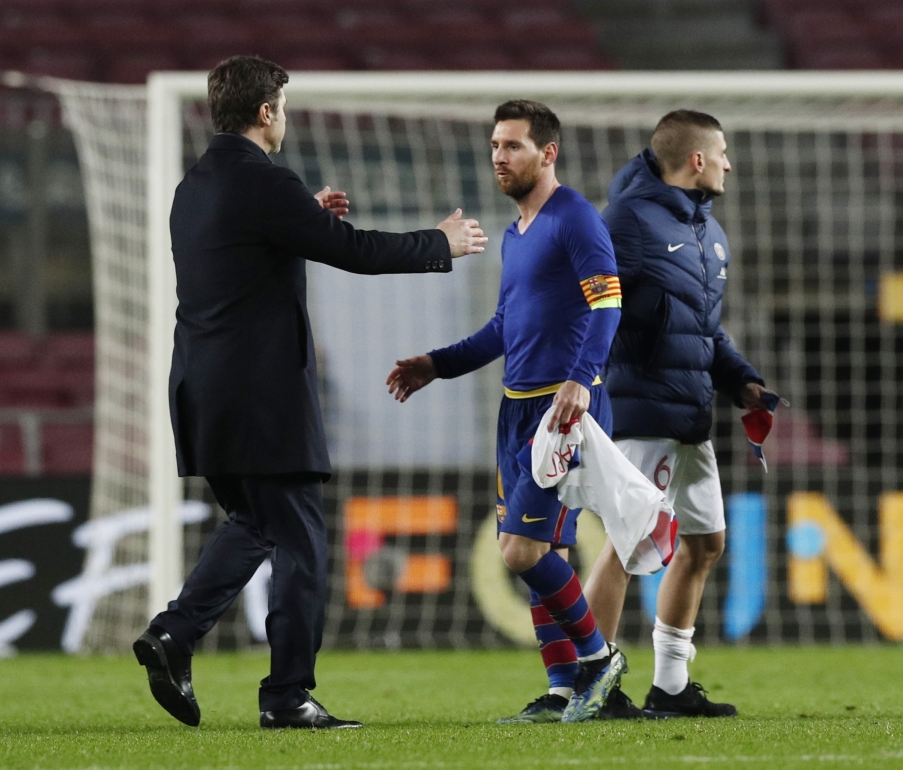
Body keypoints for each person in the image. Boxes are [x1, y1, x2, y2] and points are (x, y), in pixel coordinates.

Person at [132, 55, 487, 731]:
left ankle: (175, 634)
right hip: (260, 392)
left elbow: (243, 261)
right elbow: (353, 250)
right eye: (283, 108)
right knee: (302, 543)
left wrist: (301, 220)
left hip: (203, 389)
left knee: (258, 525)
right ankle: (287, 695)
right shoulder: (263, 182)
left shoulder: (196, 185)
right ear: (266, 112)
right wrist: (439, 243)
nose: (285, 118)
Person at [387, 100, 625, 724]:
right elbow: (503, 327)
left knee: (519, 550)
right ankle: (563, 690)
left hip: (562, 408)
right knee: (550, 554)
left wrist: (582, 378)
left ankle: (600, 660)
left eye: (513, 145)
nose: (499, 155)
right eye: (495, 144)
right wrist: (435, 364)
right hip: (517, 409)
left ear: (547, 153)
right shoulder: (518, 233)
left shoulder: (574, 217)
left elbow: (609, 304)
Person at [588, 109, 775, 718]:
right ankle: (586, 679)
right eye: (721, 152)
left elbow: (705, 332)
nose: (728, 163)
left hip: (691, 414)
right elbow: (589, 303)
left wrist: (741, 381)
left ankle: (670, 686)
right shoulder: (629, 220)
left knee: (705, 544)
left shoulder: (708, 233)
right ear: (696, 160)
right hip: (643, 408)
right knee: (626, 544)